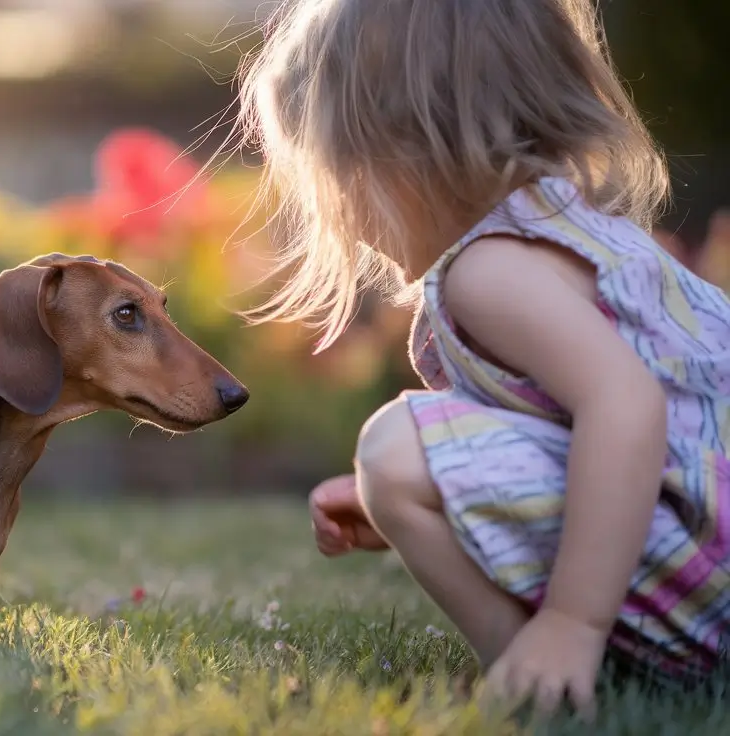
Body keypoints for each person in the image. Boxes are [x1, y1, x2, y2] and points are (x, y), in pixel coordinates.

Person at [236, 0, 730, 717]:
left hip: (711, 564)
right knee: (413, 460)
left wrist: (573, 623)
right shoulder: (570, 233)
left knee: (394, 447)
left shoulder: (488, 269)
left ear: (402, 150)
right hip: (705, 531)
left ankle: (542, 673)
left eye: (336, 175)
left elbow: (627, 408)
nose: (343, 212)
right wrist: (457, 484)